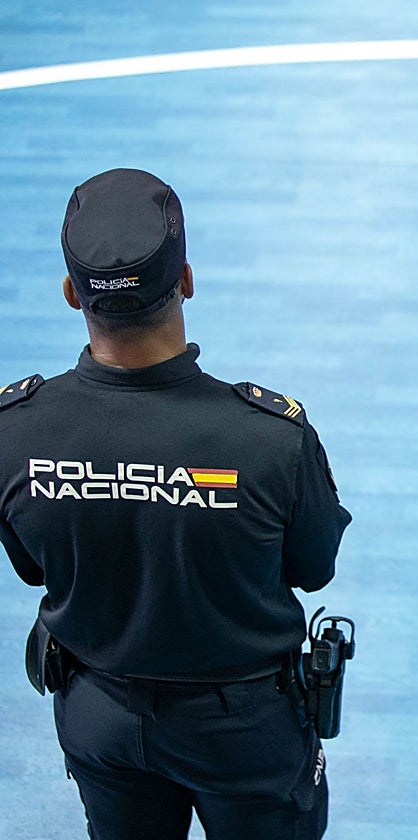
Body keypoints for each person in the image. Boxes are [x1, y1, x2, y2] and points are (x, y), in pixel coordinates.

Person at [0, 168, 352, 839]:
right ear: (186, 279)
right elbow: (315, 567)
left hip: (99, 714)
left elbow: (30, 566)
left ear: (72, 293)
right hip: (244, 728)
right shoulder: (268, 438)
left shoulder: (14, 432)